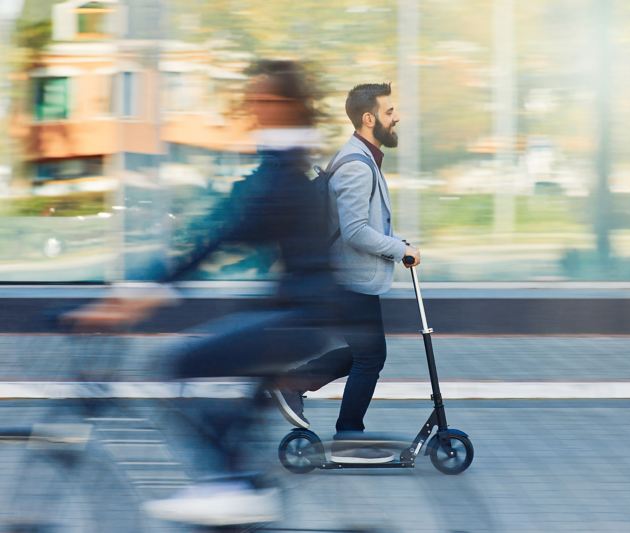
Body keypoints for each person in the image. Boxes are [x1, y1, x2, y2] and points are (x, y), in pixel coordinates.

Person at [66, 60, 339, 526]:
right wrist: (142, 292)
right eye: (251, 101)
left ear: (287, 107)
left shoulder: (283, 172)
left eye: (262, 101)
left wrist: (138, 296)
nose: (253, 110)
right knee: (222, 391)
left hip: (302, 320)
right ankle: (241, 484)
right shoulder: (288, 166)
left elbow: (219, 234)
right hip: (301, 315)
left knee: (177, 363)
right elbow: (225, 233)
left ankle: (230, 483)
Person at [271, 83, 421, 464]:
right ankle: (347, 432)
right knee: (370, 357)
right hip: (351, 279)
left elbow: (360, 222)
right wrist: (398, 249)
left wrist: (397, 243)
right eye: (390, 112)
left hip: (350, 277)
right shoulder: (357, 164)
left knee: (366, 354)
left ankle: (297, 385)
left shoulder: (362, 157)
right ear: (369, 118)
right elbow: (355, 231)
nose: (397, 116)